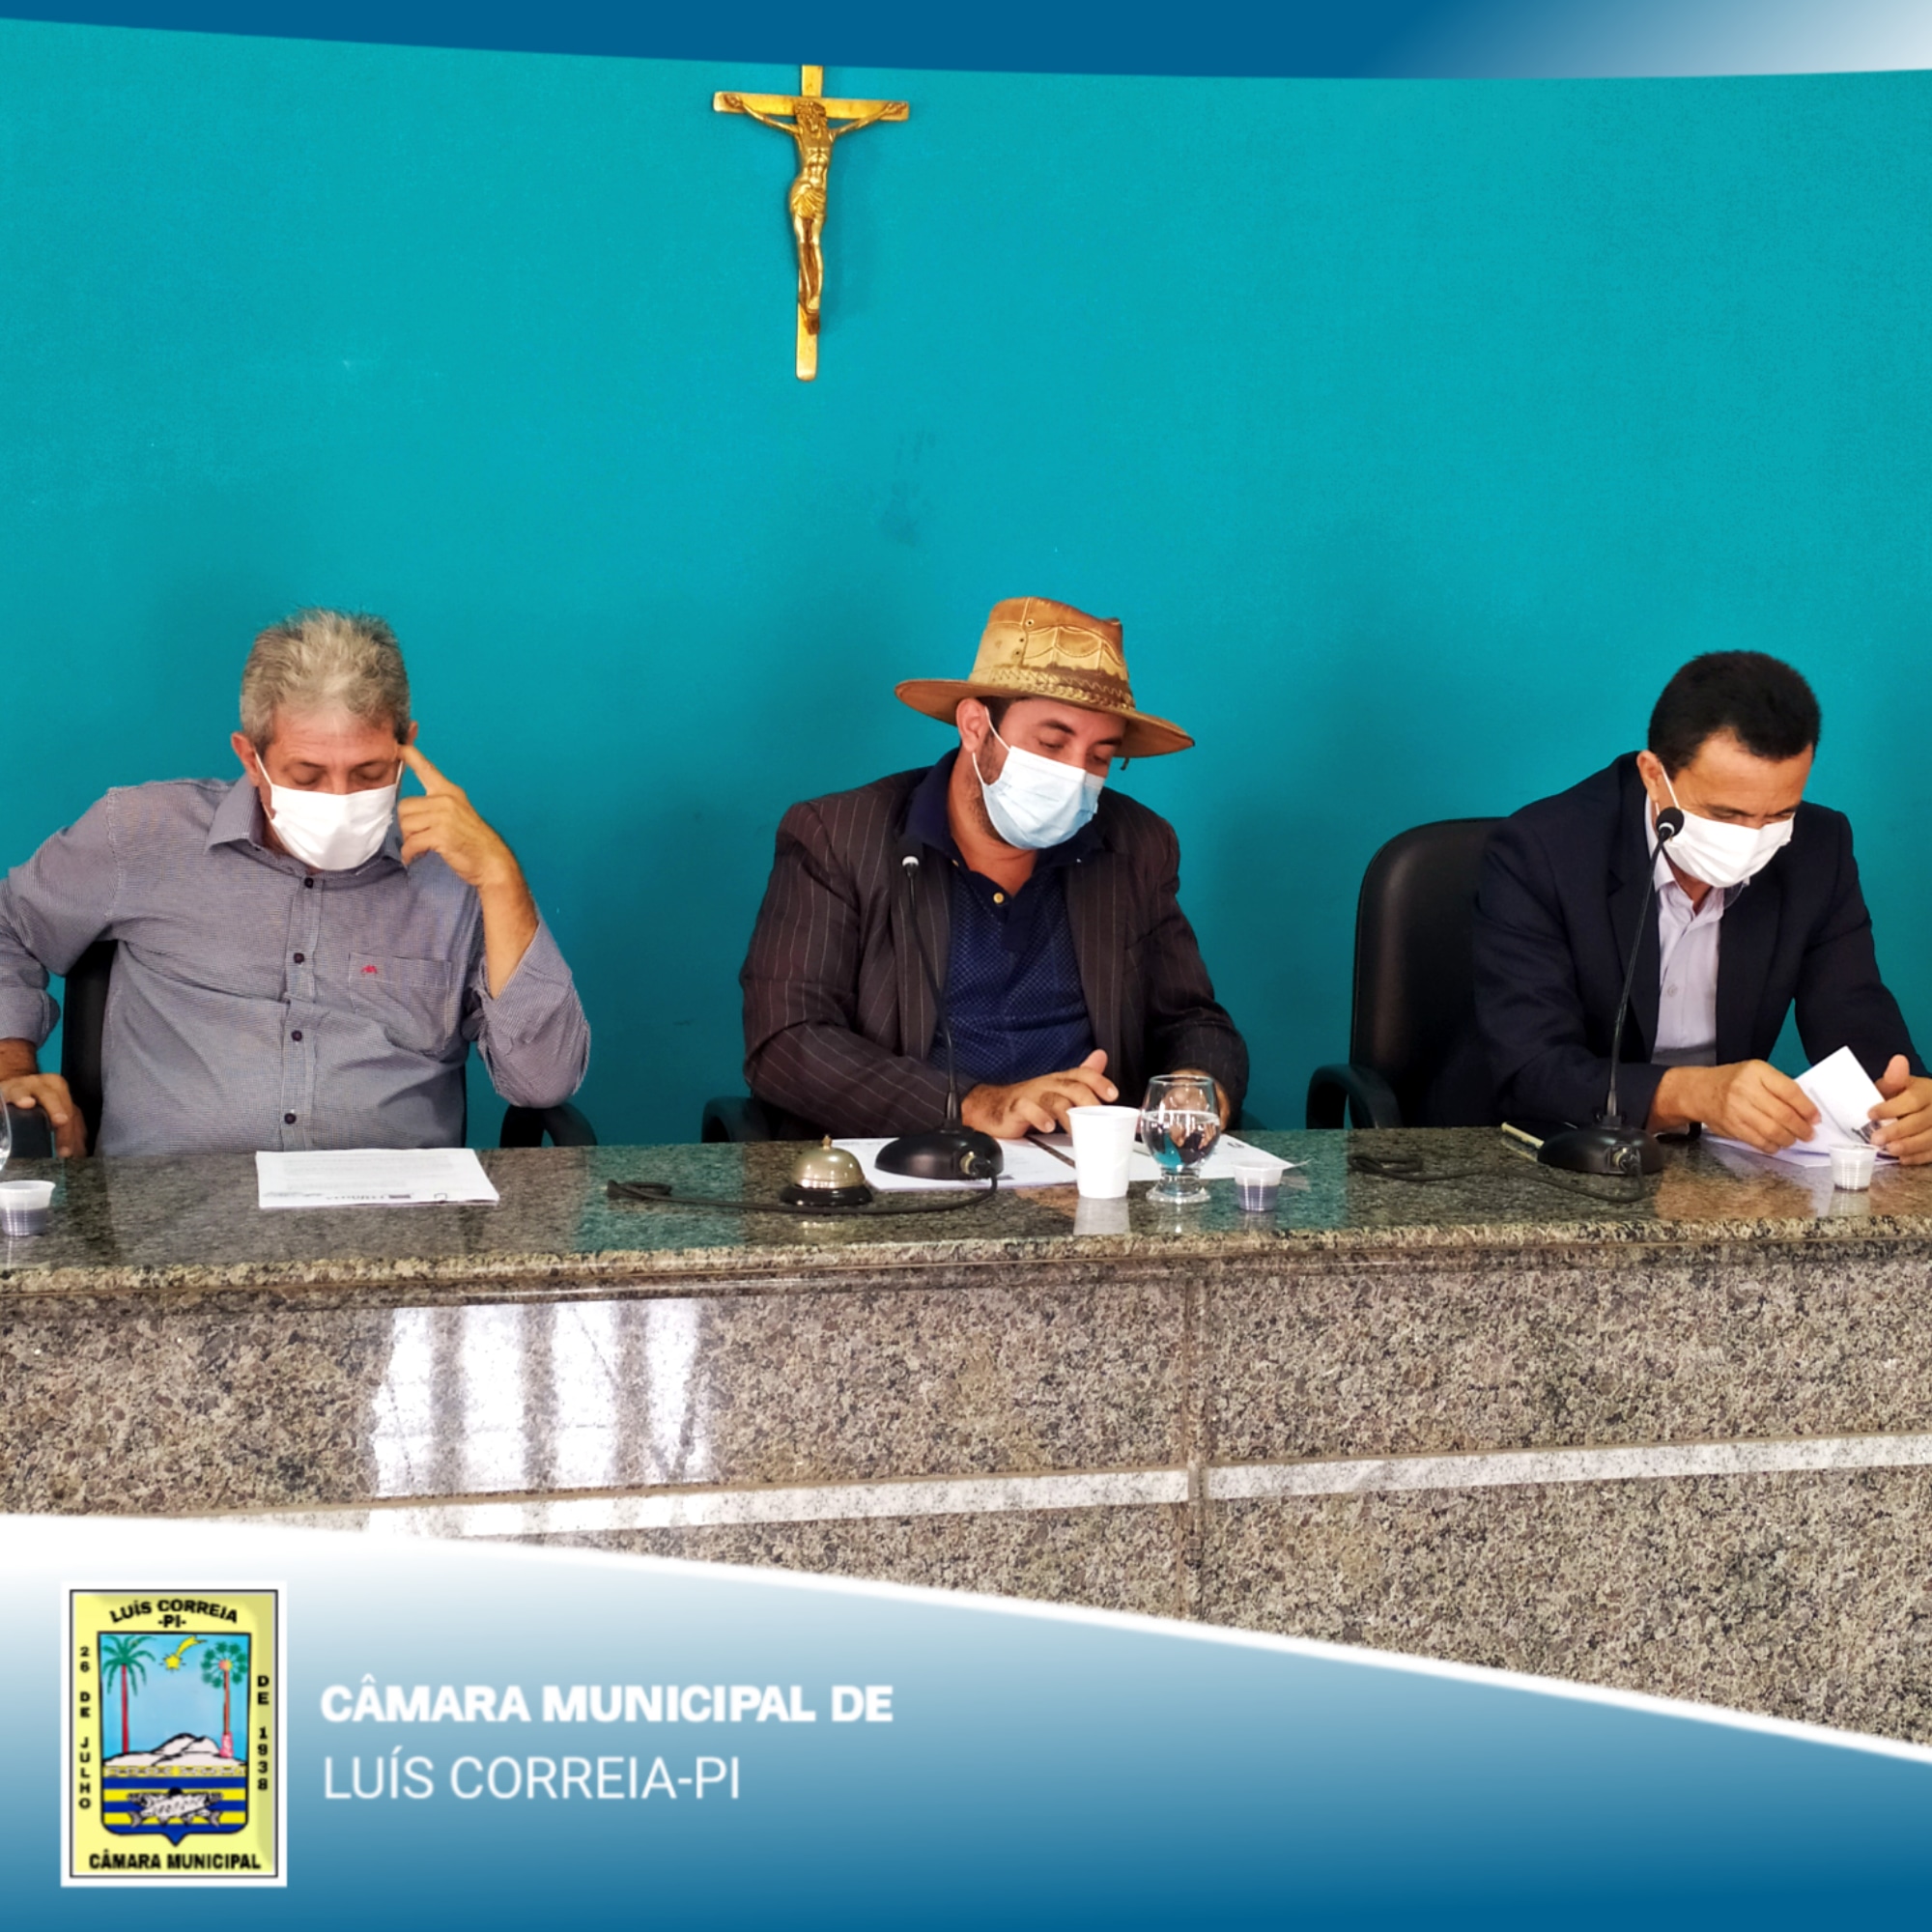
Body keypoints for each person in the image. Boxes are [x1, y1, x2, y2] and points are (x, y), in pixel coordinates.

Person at [0, 609, 588, 1156]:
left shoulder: (457, 875)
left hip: (395, 1216)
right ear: (250, 758)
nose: (340, 799)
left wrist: (501, 881)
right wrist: (11, 1067)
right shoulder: (142, 833)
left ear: (405, 747)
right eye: (307, 776)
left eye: (369, 772)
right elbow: (9, 927)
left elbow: (543, 1084)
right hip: (176, 1212)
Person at [739, 596, 1248, 1139]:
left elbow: (1191, 1019)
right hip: (910, 1159)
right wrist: (975, 1105)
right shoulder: (839, 837)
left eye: (1100, 756)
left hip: (1090, 1164)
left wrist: (1195, 1088)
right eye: (1051, 743)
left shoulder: (1137, 844)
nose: (1075, 774)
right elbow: (788, 1041)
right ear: (975, 726)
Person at [1474, 650, 1932, 1160]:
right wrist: (1694, 1094)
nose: (1752, 837)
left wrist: (1907, 1103)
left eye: (1778, 814)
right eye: (1725, 815)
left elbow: (1852, 1010)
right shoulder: (1542, 851)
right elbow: (1533, 1070)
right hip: (1552, 1153)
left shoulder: (1818, 849)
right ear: (1654, 775)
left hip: (1717, 1163)